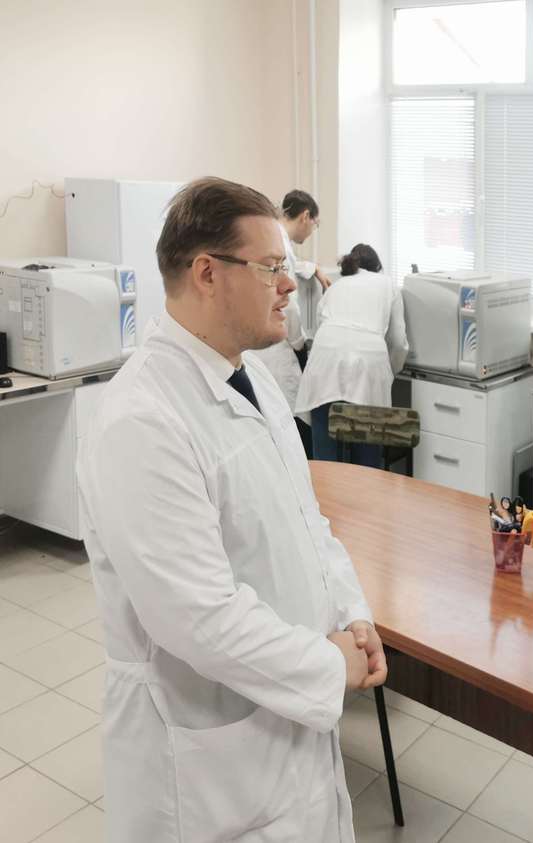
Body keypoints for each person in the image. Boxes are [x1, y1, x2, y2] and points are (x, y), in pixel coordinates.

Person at [77, 177, 387, 842]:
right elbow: (197, 615)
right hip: (209, 759)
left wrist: (352, 615)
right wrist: (329, 666)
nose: (290, 283)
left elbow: (308, 525)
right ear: (208, 273)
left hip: (285, 711)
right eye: (272, 266)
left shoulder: (256, 382)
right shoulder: (141, 418)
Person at [295, 243, 409, 467]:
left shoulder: (336, 285)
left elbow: (320, 326)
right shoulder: (388, 285)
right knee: (366, 456)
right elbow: (398, 341)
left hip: (324, 362)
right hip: (367, 365)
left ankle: (325, 489)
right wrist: (391, 372)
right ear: (377, 267)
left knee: (325, 455)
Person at [250, 189, 332, 456]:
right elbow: (290, 305)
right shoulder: (281, 245)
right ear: (306, 216)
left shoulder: (276, 240)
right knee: (291, 428)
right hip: (278, 349)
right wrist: (299, 345)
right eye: (315, 225)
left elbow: (287, 268)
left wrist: (312, 267)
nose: (311, 231)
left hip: (261, 351)